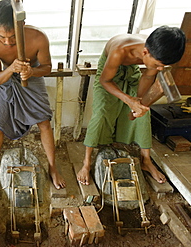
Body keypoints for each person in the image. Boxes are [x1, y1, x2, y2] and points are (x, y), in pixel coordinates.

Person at [77, 26, 186, 185]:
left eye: (163, 66)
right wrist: (128, 100)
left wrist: (138, 102)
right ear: (145, 53)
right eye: (158, 65)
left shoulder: (153, 52)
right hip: (108, 72)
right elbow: (105, 81)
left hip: (131, 69)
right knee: (101, 113)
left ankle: (146, 161)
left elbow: (148, 76)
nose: (160, 69)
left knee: (144, 113)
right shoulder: (119, 51)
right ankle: (86, 163)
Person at [0, 0, 66, 190]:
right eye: (2, 36)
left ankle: (53, 168)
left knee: (44, 122)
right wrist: (11, 68)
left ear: (21, 26)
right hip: (8, 79)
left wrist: (31, 72)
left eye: (12, 37)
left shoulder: (38, 38)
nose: (8, 42)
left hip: (32, 77)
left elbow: (47, 68)